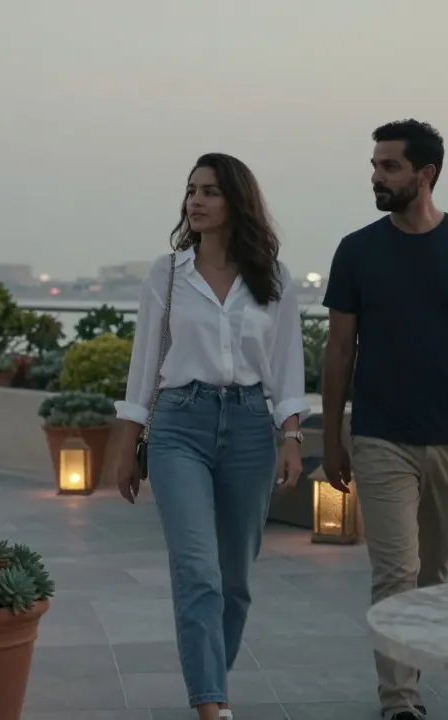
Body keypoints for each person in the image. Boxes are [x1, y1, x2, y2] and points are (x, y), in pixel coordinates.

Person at [320, 120, 448, 720]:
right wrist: (331, 436)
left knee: (433, 573)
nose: (376, 176)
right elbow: (339, 351)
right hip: (381, 436)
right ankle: (400, 701)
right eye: (375, 165)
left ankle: (410, 670)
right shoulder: (357, 249)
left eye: (389, 166)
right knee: (395, 571)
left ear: (424, 174)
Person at [114, 152, 309, 720]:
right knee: (197, 570)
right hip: (180, 424)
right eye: (191, 191)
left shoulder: (272, 278)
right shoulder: (167, 274)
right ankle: (212, 707)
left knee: (235, 580)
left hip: (251, 425)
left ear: (237, 202)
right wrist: (127, 447)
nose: (195, 201)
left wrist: (291, 435)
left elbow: (287, 362)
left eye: (210, 192)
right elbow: (144, 364)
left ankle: (209, 681)